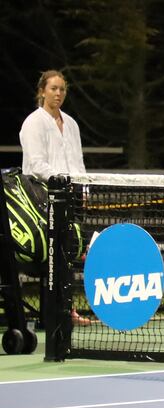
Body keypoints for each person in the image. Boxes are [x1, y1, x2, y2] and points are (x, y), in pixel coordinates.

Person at [19, 69, 89, 326]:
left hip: (70, 199)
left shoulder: (71, 124)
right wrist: (61, 182)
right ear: (42, 91)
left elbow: (78, 162)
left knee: (68, 254)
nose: (58, 93)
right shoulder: (33, 122)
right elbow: (36, 164)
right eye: (53, 89)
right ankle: (56, 312)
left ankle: (67, 309)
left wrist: (83, 189)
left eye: (62, 89)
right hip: (40, 198)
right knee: (51, 256)